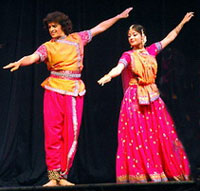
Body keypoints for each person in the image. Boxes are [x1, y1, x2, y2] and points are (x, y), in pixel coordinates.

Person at [3, 8, 133, 187]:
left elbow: (99, 28)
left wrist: (118, 17)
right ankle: (53, 176)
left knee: (71, 133)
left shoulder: (77, 38)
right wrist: (20, 61)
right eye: (49, 27)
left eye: (54, 26)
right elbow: (33, 57)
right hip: (54, 89)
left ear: (63, 26)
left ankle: (62, 175)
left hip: (74, 90)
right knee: (52, 132)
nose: (52, 30)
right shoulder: (48, 46)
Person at [98, 12, 194, 183]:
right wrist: (108, 76)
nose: (131, 38)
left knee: (159, 134)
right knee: (138, 136)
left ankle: (164, 171)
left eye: (135, 34)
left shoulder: (152, 51)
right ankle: (142, 174)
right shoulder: (128, 55)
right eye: (129, 36)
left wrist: (182, 22)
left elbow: (170, 37)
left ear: (143, 36)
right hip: (134, 98)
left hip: (153, 98)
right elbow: (119, 68)